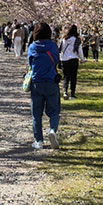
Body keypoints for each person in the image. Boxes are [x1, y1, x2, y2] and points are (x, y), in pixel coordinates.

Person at [27, 22, 62, 150]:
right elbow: (57, 61)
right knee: (54, 111)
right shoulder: (53, 46)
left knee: (36, 114)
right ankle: (52, 130)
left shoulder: (32, 47)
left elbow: (30, 63)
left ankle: (39, 141)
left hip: (37, 83)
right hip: (52, 82)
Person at [58, 24, 85, 99]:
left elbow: (61, 49)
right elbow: (80, 51)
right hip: (74, 59)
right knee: (73, 77)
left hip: (64, 59)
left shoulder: (64, 39)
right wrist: (82, 60)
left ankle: (65, 92)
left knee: (66, 76)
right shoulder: (77, 40)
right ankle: (72, 94)